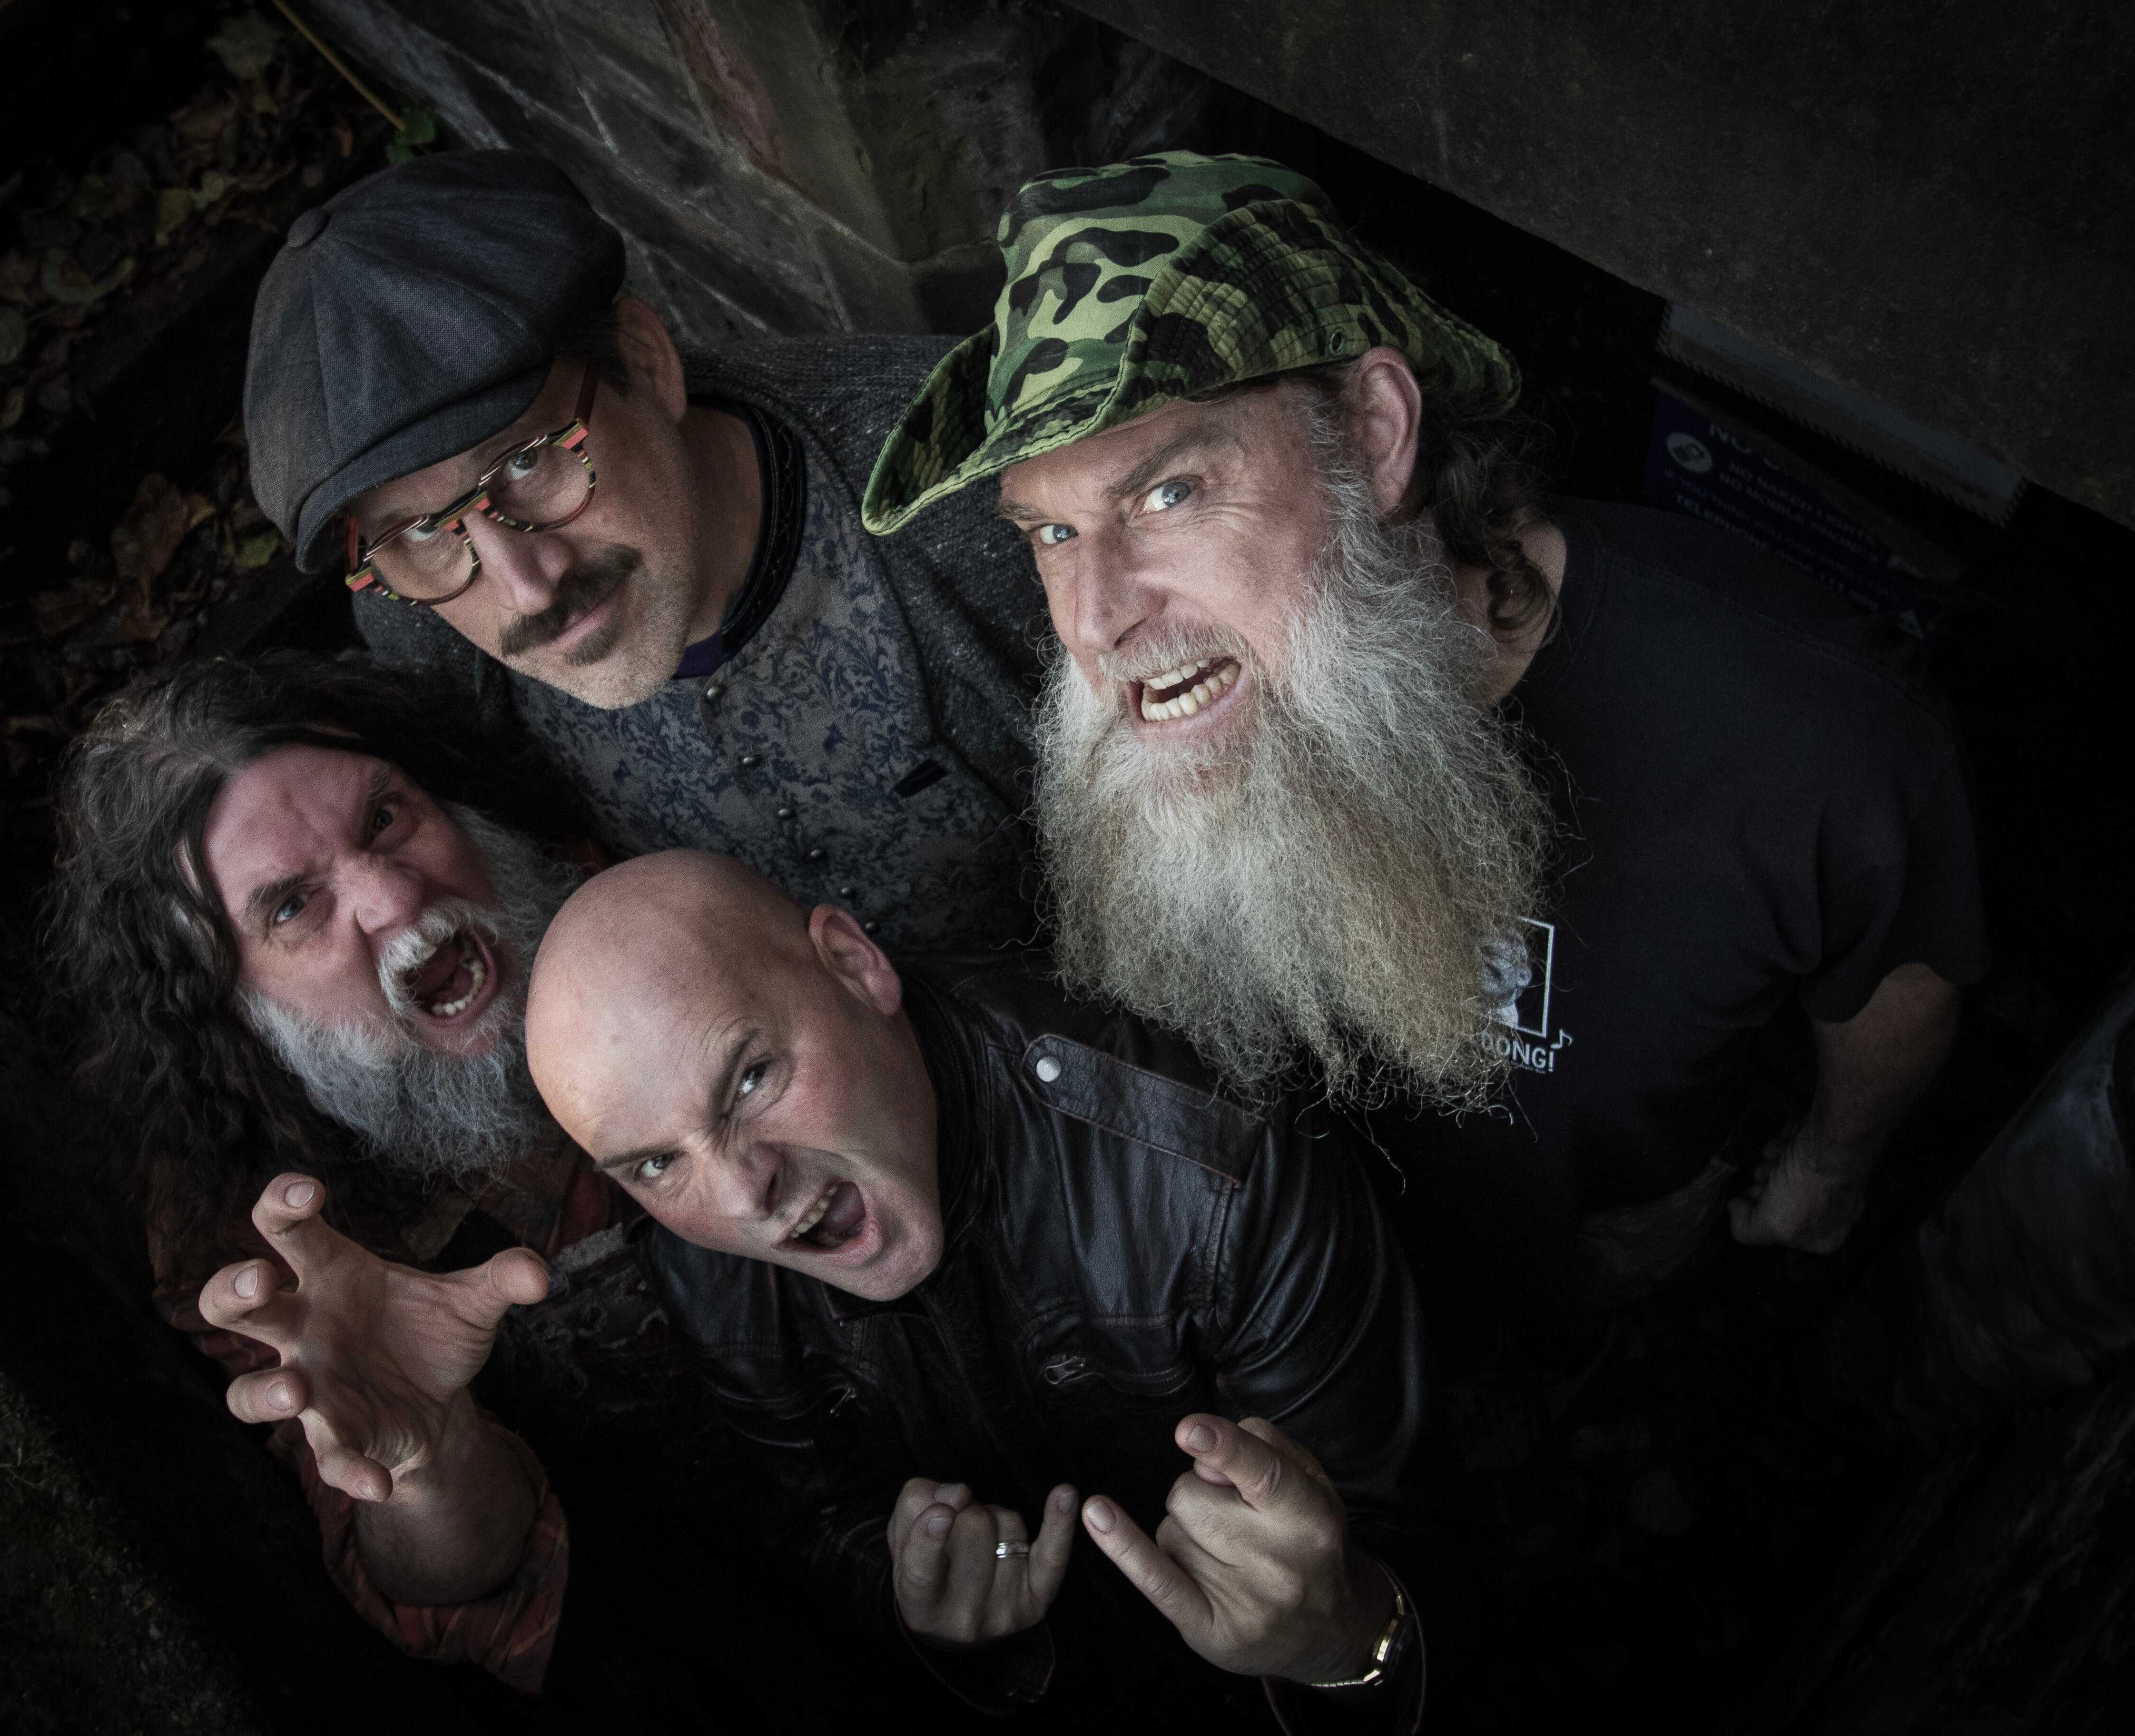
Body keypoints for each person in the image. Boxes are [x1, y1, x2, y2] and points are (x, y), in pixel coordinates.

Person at [861, 150, 1987, 1319]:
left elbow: (1900, 981)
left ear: (1375, 432)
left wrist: (1825, 1169)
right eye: (1049, 533)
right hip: (1334, 1278)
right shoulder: (1196, 710)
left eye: (1169, 494)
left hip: (1611, 1258)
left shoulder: (1814, 730)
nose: (1096, 624)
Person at [512, 849, 1429, 1728]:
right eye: (658, 1163)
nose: (743, 1195)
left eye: (750, 1080)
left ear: (855, 966)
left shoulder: (1215, 1159)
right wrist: (918, 1606)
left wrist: (1344, 1642)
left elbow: (1425, 1555)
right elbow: (810, 1519)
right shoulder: (695, 1261)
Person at [243, 149, 1049, 953]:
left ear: (646, 361)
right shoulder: (421, 611)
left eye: (527, 463)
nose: (526, 589)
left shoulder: (978, 492)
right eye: (422, 529)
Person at [44, 652, 626, 1696]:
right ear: (234, 1015)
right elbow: (454, 1597)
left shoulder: (608, 864)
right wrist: (427, 1462)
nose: (397, 898)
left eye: (386, 819)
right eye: (291, 909)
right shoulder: (251, 1247)